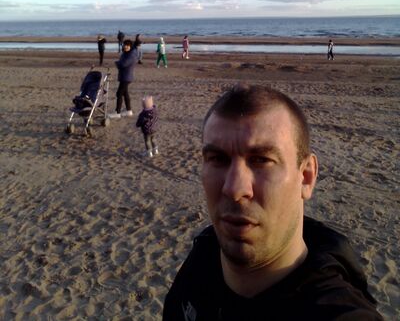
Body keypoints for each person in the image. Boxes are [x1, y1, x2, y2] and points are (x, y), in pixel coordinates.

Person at [163, 84, 382, 320]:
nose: (234, 189)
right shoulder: (202, 259)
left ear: (306, 177)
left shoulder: (338, 312)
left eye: (261, 160)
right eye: (218, 159)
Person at [108, 39, 138, 119]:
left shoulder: (131, 55)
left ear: (130, 46)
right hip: (124, 76)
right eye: (124, 45)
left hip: (126, 77)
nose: (125, 47)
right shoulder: (126, 53)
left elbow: (123, 64)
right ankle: (129, 111)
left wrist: (117, 63)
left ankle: (117, 112)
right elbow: (122, 63)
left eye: (127, 45)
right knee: (125, 93)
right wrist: (119, 63)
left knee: (119, 93)